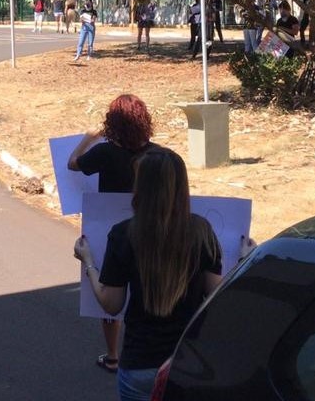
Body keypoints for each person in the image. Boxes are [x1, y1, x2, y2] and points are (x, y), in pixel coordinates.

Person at [73, 147, 223, 401]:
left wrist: (88, 262)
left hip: (140, 362)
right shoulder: (201, 230)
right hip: (188, 363)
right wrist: (244, 259)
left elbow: (112, 304)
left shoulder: (124, 234)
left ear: (142, 188)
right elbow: (218, 294)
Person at [68, 94, 157, 374]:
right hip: (149, 226)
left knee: (111, 287)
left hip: (110, 230)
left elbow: (73, 163)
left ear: (112, 124)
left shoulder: (104, 152)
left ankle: (113, 355)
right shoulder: (156, 154)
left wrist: (88, 137)